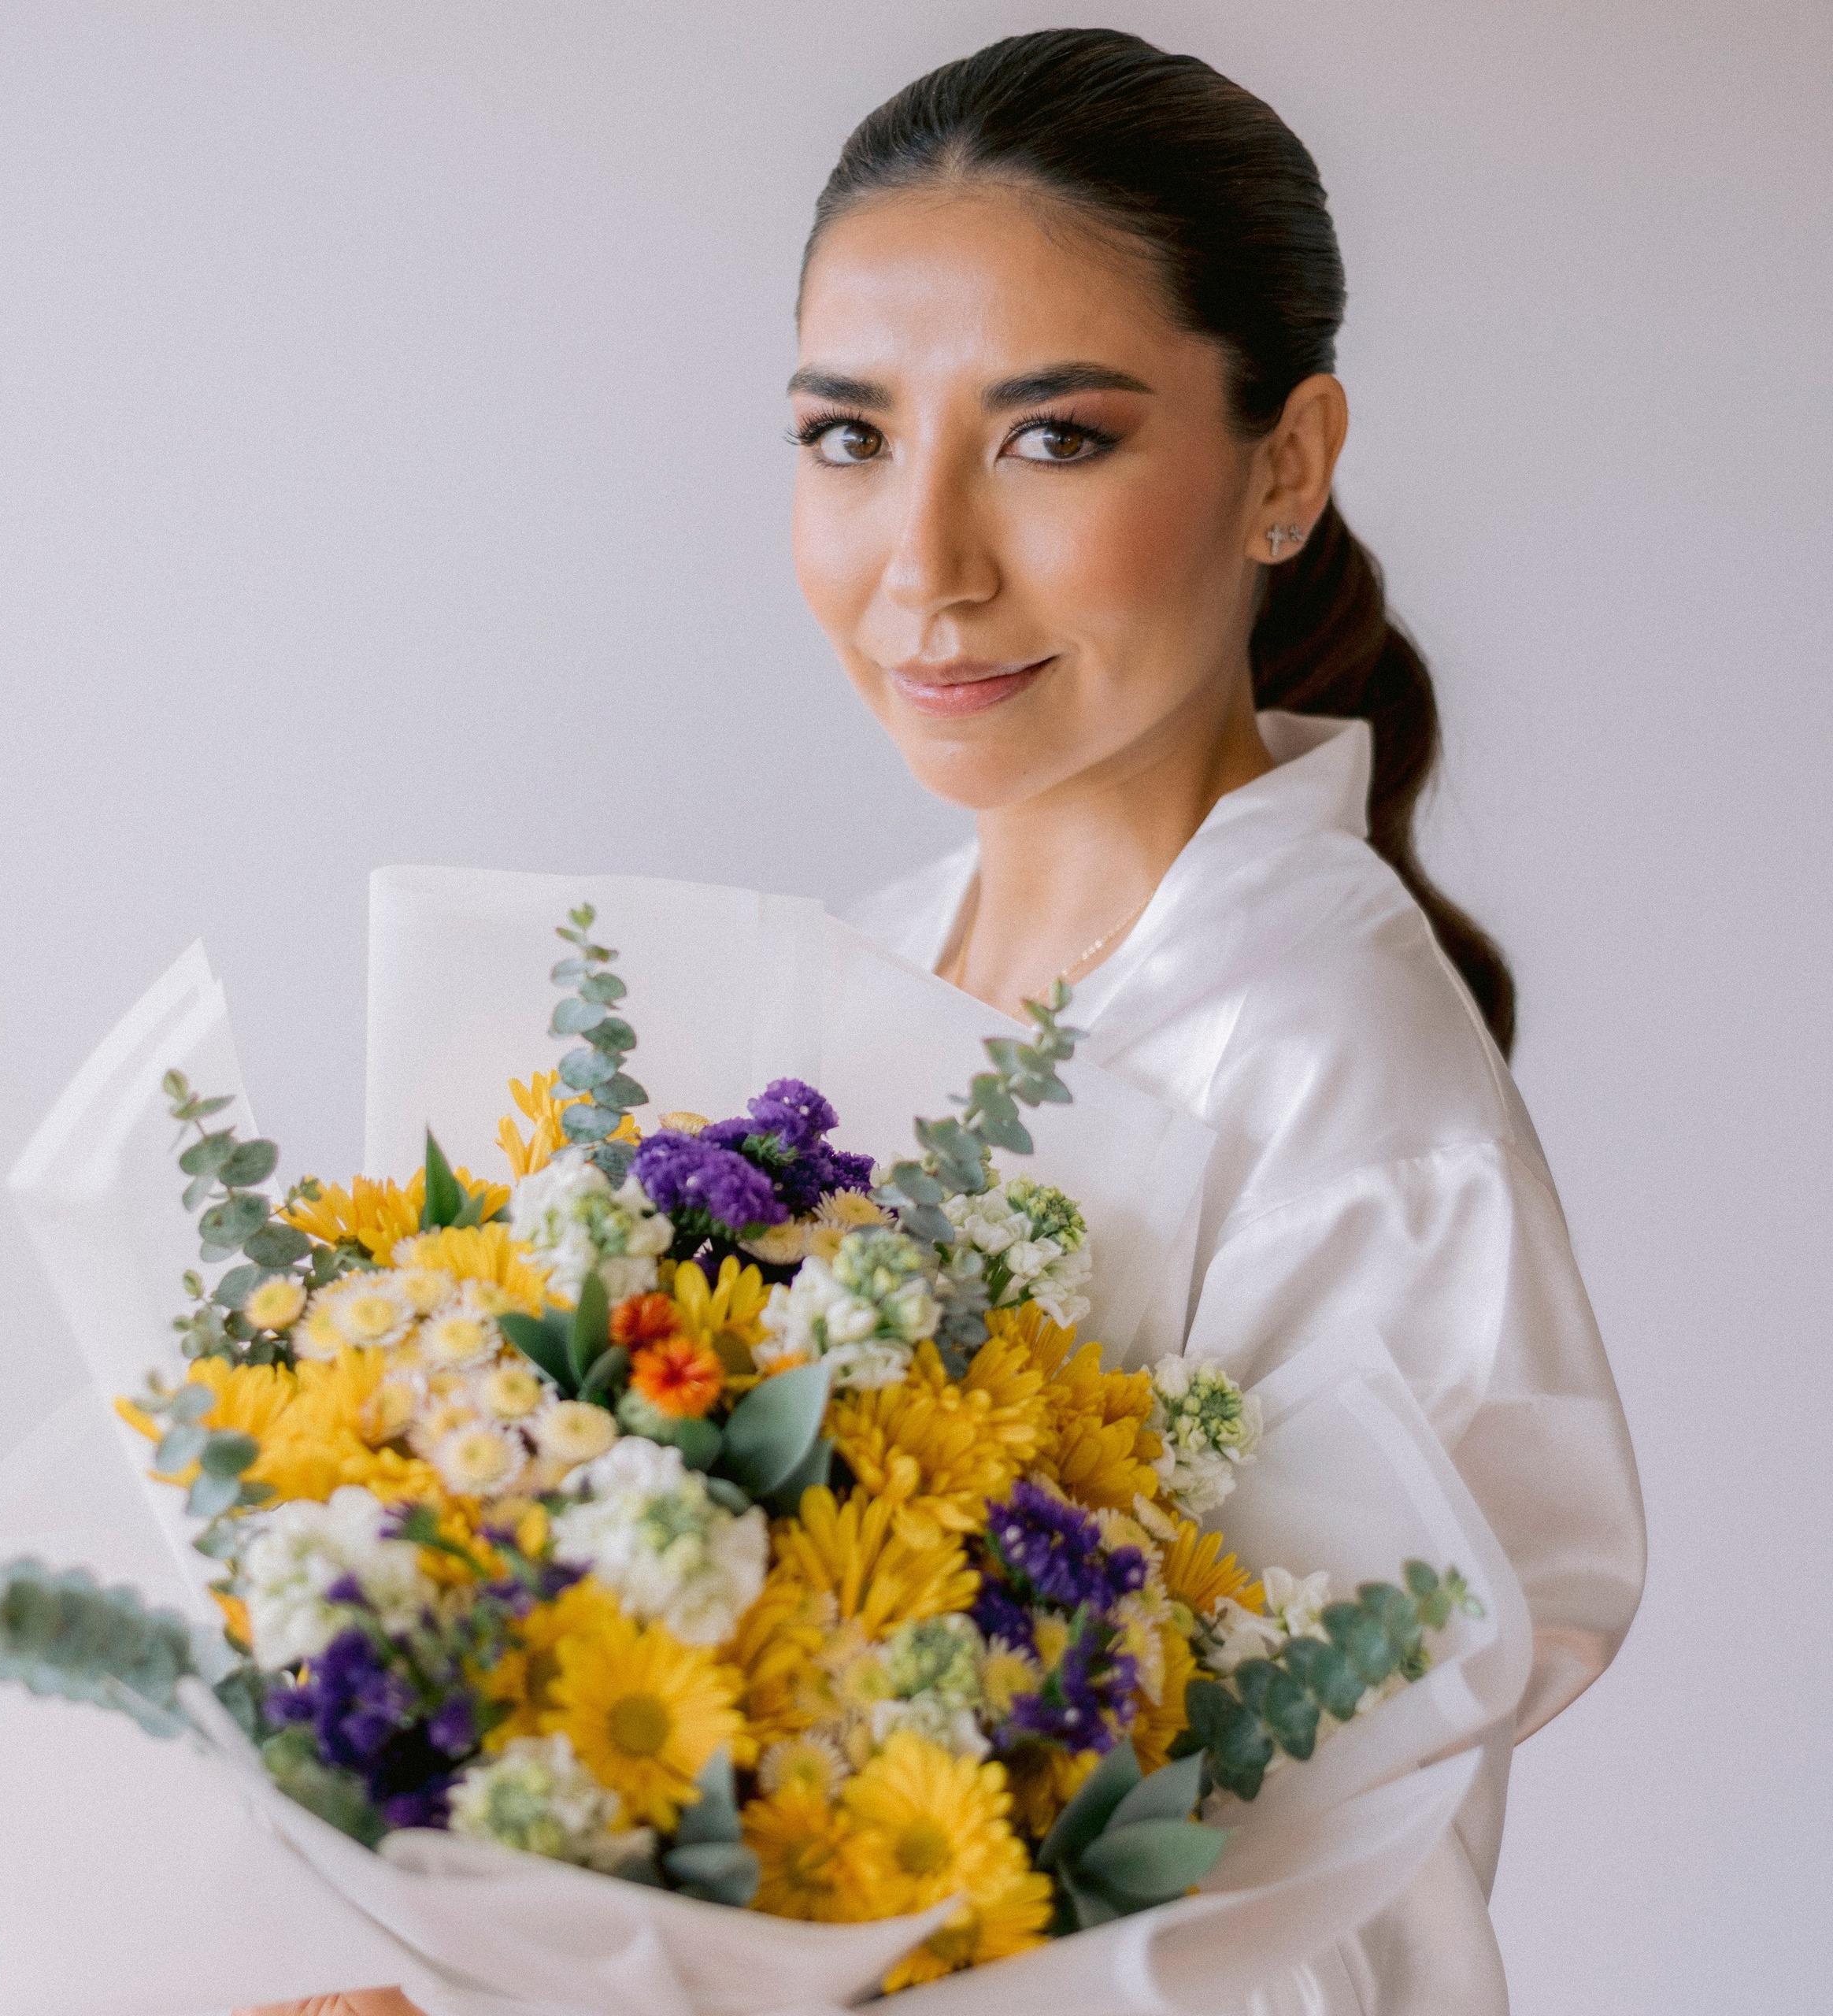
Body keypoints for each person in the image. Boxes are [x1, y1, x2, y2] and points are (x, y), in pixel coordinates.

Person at [248, 26, 1643, 2016]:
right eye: (849, 437)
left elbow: (1323, 1947)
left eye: (1052, 437)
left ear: (1284, 467)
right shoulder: (868, 974)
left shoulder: (1348, 1099)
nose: (924, 568)